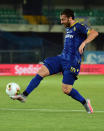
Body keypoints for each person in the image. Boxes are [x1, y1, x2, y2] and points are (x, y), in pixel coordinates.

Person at [11, 9, 98, 114]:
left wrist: (84, 43)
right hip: (61, 58)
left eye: (63, 19)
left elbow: (94, 33)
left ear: (70, 18)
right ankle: (24, 95)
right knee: (41, 71)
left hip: (72, 62)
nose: (61, 22)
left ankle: (85, 102)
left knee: (66, 90)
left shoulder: (79, 26)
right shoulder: (69, 29)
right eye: (60, 19)